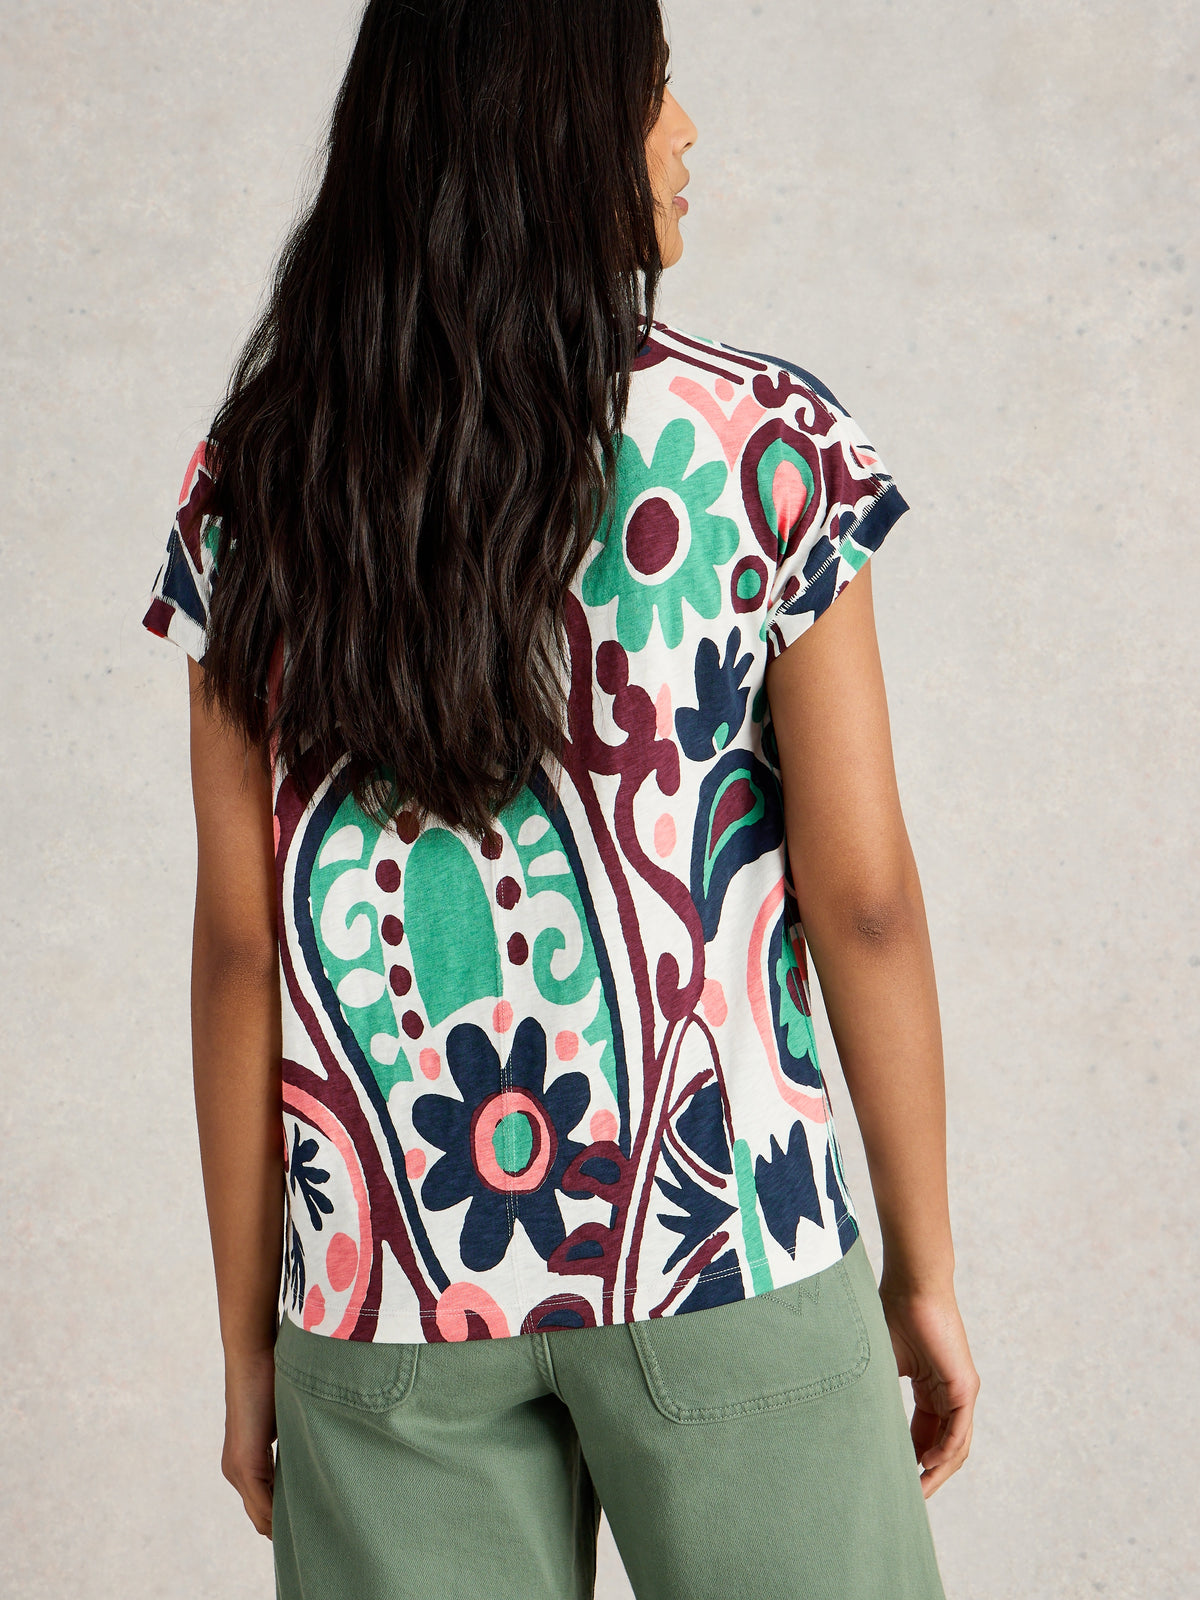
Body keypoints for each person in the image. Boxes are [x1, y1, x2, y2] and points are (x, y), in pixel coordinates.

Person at [141, 2, 979, 1596]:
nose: (684, 131)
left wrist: (251, 1342)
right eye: (653, 90)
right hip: (730, 1241)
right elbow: (863, 901)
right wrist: (922, 1266)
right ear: (557, 129)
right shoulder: (765, 447)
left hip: (383, 1286)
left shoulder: (259, 479)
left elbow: (243, 949)